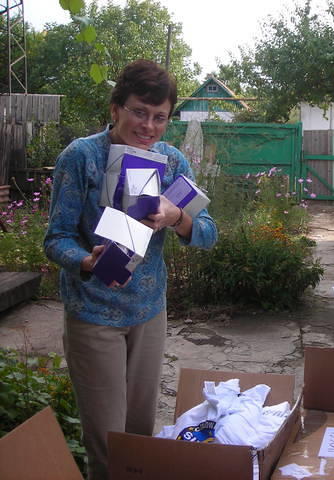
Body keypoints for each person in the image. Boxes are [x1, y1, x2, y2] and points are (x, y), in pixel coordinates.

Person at [44, 59, 217, 480]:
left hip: (148, 312)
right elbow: (56, 238)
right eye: (140, 111)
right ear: (116, 108)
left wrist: (178, 216)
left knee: (139, 436)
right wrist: (86, 260)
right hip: (93, 313)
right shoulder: (82, 157)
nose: (149, 126)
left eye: (160, 117)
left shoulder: (172, 162)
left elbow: (208, 233)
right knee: (106, 440)